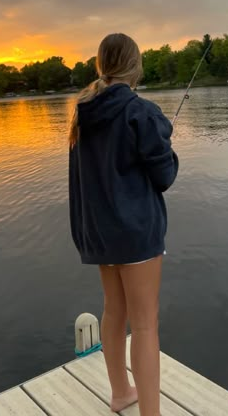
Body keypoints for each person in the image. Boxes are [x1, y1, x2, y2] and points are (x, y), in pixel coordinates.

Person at [69, 33, 179, 416]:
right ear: (135, 66)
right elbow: (164, 175)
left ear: (101, 66)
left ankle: (121, 393)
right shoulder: (141, 111)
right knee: (146, 324)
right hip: (135, 234)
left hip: (101, 233)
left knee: (114, 310)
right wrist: (165, 142)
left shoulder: (82, 111)